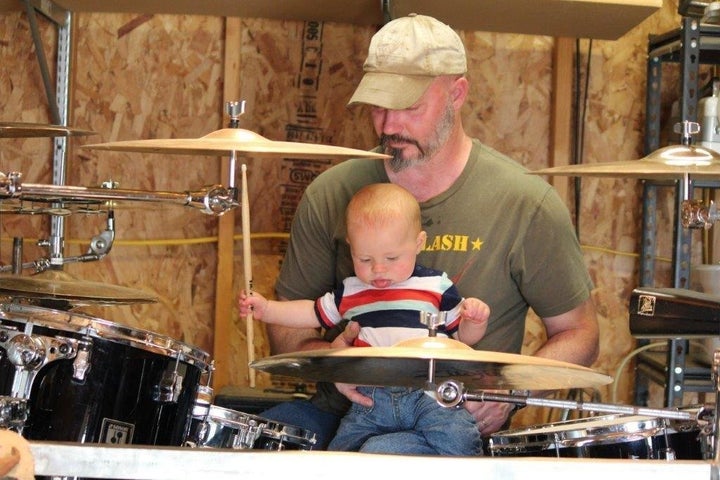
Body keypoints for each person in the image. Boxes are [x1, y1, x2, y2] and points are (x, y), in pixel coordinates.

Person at [258, 13, 600, 454]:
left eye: (409, 107)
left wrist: (506, 392)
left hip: (447, 426)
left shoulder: (525, 204)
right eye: (379, 106)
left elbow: (581, 334)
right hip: (345, 416)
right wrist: (334, 363)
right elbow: (286, 332)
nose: (387, 126)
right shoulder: (331, 194)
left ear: (457, 93)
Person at [239, 183, 490, 455]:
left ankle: (396, 447)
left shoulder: (435, 286)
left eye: (392, 257)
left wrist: (474, 321)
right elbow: (311, 312)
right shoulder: (353, 290)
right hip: (370, 398)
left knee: (458, 440)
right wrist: (268, 309)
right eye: (365, 258)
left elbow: (463, 339)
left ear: (419, 243)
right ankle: (390, 448)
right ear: (351, 246)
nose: (378, 269)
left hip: (428, 395)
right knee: (342, 456)